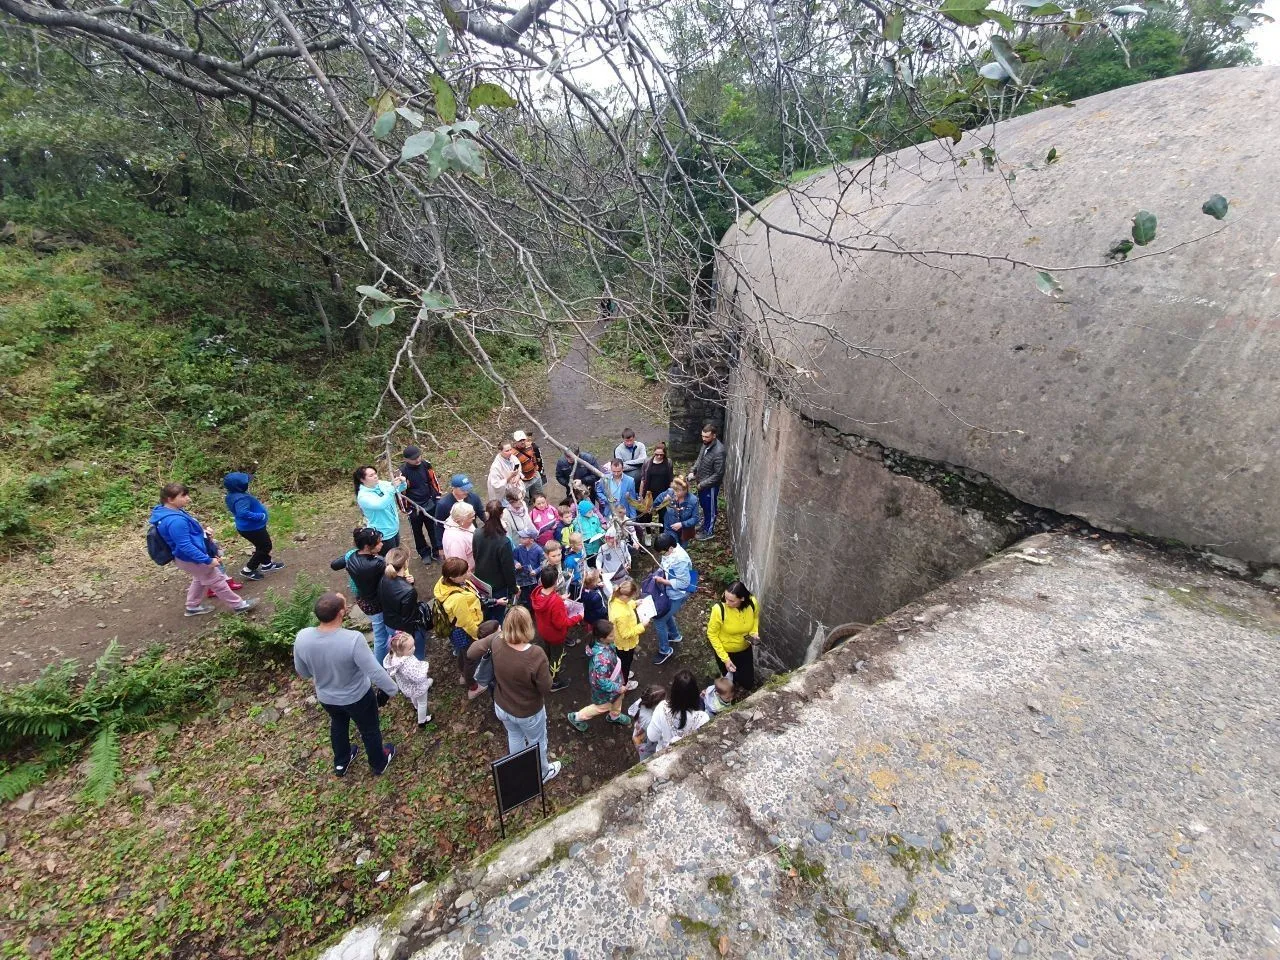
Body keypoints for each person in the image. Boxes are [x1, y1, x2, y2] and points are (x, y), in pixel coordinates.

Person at [294, 591, 398, 776]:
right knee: (369, 729)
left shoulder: (303, 636)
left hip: (327, 697)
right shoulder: (353, 639)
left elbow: (303, 672)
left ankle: (341, 762)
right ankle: (378, 762)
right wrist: (391, 688)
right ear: (341, 613)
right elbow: (373, 671)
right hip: (357, 697)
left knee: (338, 724)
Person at [466, 605, 560, 783]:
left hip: (502, 705)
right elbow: (546, 688)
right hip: (528, 711)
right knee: (537, 741)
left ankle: (518, 766)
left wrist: (494, 639)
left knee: (514, 735)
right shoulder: (535, 654)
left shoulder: (496, 641)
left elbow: (471, 652)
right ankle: (542, 773)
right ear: (528, 626)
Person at [150, 483, 255, 617]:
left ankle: (192, 606)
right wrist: (207, 560)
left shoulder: (168, 511)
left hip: (186, 558)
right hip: (192, 558)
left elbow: (187, 535)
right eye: (183, 496)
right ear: (170, 499)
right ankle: (239, 605)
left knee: (200, 579)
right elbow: (185, 546)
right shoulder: (175, 521)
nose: (188, 498)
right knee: (217, 581)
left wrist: (203, 533)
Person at [330, 527, 390, 661]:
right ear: (368, 546)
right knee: (381, 636)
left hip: (362, 599)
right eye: (379, 542)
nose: (382, 544)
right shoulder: (377, 564)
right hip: (376, 605)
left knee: (380, 633)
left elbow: (334, 565)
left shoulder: (351, 555)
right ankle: (379, 665)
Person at [434, 557, 485, 700]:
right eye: (463, 573)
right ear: (453, 578)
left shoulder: (442, 583)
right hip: (464, 631)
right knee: (472, 658)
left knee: (463, 653)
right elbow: (466, 622)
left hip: (455, 630)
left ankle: (463, 674)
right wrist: (477, 635)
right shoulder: (458, 599)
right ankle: (472, 686)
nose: (468, 573)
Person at [567, 621, 631, 731]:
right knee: (601, 707)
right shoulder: (602, 661)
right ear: (602, 638)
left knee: (618, 698)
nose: (614, 636)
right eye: (611, 635)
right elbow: (601, 681)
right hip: (607, 690)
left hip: (614, 681)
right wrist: (618, 688)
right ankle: (577, 717)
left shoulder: (604, 644)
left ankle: (614, 715)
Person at [221, 472, 284, 581]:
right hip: (252, 528)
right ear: (239, 486)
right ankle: (248, 569)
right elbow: (243, 513)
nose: (248, 484)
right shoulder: (241, 499)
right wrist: (260, 516)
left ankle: (266, 564)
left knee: (261, 545)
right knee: (265, 546)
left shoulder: (232, 495)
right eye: (245, 483)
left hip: (250, 527)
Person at [530, 565, 582, 690]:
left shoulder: (537, 592)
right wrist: (579, 616)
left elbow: (549, 601)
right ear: (555, 582)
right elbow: (561, 623)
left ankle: (549, 669)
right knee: (556, 657)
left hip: (543, 631)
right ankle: (554, 681)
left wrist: (559, 598)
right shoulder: (555, 601)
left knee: (548, 651)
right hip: (555, 635)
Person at [707, 580, 760, 691]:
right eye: (725, 598)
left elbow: (755, 617)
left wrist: (754, 632)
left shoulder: (752, 603)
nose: (727, 602)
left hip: (745, 649)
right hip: (726, 651)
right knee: (730, 680)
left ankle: (744, 689)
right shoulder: (719, 609)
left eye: (731, 601)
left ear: (742, 599)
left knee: (748, 681)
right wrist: (725, 659)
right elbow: (712, 634)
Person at [650, 532, 693, 666]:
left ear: (670, 548)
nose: (662, 556)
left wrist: (663, 581)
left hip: (678, 594)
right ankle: (675, 635)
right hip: (670, 592)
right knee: (665, 613)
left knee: (659, 620)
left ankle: (665, 650)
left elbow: (684, 583)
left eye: (663, 553)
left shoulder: (680, 559)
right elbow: (665, 565)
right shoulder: (670, 551)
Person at [644, 669, 709, 754]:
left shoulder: (661, 707)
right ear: (695, 692)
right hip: (687, 753)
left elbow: (652, 736)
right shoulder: (703, 718)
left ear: (673, 691)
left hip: (664, 752)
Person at [378, 548, 427, 659]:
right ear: (406, 563)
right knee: (416, 655)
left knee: (398, 652)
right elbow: (408, 620)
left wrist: (407, 582)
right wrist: (410, 638)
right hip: (405, 630)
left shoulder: (384, 578)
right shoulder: (409, 591)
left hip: (390, 624)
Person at [473, 500, 517, 620]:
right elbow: (508, 569)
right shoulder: (504, 542)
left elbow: (475, 555)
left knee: (485, 612)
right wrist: (514, 588)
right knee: (498, 616)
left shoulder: (477, 533)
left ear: (487, 513)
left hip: (481, 581)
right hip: (498, 586)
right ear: (502, 515)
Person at [399, 445, 442, 563]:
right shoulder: (402, 473)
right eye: (414, 459)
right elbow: (400, 494)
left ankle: (437, 551)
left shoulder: (426, 465)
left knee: (434, 528)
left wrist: (437, 497)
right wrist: (407, 510)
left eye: (419, 456)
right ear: (406, 459)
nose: (418, 460)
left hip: (429, 503)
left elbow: (433, 481)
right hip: (414, 507)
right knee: (417, 532)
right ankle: (424, 553)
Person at [383, 630, 433, 728]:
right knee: (422, 703)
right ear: (401, 651)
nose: (414, 648)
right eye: (410, 648)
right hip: (418, 687)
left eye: (413, 645)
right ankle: (422, 720)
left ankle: (415, 707)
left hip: (407, 686)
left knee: (413, 697)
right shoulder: (407, 664)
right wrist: (424, 667)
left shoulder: (396, 657)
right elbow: (418, 677)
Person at [354, 465, 406, 554]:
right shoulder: (363, 496)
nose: (375, 476)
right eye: (371, 475)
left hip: (394, 528)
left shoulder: (381, 484)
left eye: (375, 473)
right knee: (389, 560)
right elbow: (381, 504)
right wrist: (392, 489)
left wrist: (402, 482)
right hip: (383, 534)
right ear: (362, 480)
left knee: (396, 555)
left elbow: (399, 489)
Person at [687, 423, 725, 541]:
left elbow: (718, 474)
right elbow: (700, 459)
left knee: (710, 509)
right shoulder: (706, 445)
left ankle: (709, 531)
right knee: (704, 506)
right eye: (703, 436)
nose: (704, 439)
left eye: (707, 437)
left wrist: (702, 484)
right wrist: (693, 470)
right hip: (701, 483)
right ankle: (704, 525)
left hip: (710, 487)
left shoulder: (719, 451)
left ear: (714, 436)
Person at [608, 577, 646, 692]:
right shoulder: (622, 614)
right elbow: (625, 634)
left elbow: (626, 604)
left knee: (623, 662)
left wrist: (635, 603)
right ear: (625, 596)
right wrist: (642, 626)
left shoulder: (614, 597)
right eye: (631, 597)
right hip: (625, 644)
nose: (632, 599)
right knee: (626, 662)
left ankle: (623, 672)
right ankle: (624, 683)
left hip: (618, 642)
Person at [653, 477, 701, 545]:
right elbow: (654, 506)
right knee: (671, 548)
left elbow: (695, 518)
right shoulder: (669, 492)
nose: (675, 493)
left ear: (685, 490)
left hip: (684, 531)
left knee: (681, 551)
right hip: (669, 529)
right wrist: (664, 502)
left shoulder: (693, 500)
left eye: (678, 490)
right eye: (674, 489)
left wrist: (682, 524)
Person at [637, 442, 673, 528]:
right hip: (649, 494)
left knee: (663, 515)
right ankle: (648, 534)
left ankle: (662, 534)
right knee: (647, 515)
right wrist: (641, 495)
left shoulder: (668, 463)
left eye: (661, 455)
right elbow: (643, 480)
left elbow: (671, 480)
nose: (659, 456)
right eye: (657, 454)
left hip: (663, 493)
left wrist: (670, 494)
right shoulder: (647, 462)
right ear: (654, 453)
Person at [628, 684, 666, 760]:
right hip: (645, 739)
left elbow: (630, 710)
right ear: (656, 704)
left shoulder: (643, 701)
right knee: (646, 755)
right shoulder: (650, 720)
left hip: (640, 729)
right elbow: (653, 736)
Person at [442, 501, 477, 574]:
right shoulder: (455, 541)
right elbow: (460, 566)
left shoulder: (464, 523)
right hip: (470, 573)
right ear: (460, 520)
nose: (474, 518)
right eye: (471, 517)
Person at [513, 530, 545, 607]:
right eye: (520, 537)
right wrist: (516, 563)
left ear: (531, 540)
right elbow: (513, 558)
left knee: (533, 596)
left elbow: (543, 564)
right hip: (521, 579)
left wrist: (536, 571)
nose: (520, 539)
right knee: (524, 597)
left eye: (523, 538)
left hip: (534, 580)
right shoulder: (518, 549)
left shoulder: (538, 550)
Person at [512, 430, 546, 503]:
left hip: (535, 476)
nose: (522, 442)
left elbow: (534, 457)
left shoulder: (530, 446)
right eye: (520, 440)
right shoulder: (512, 454)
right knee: (524, 501)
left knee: (539, 496)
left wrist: (536, 467)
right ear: (515, 441)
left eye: (523, 439)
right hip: (524, 481)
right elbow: (514, 469)